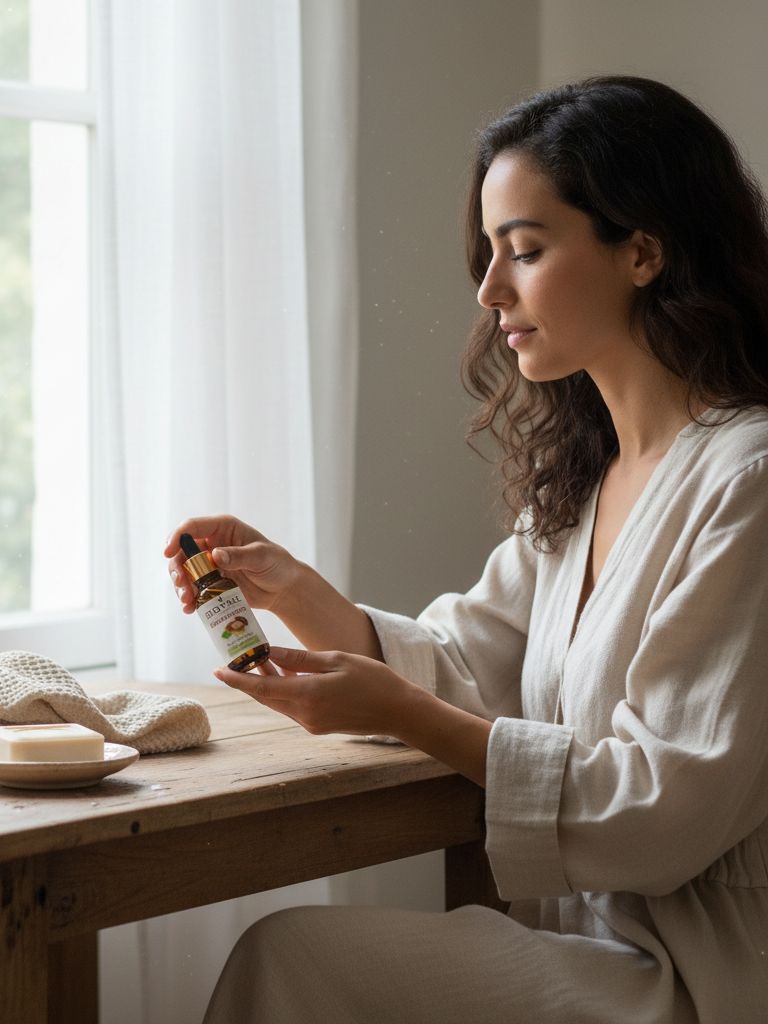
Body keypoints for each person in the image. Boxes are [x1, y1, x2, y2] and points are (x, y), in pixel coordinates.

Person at [163, 75, 768, 1023]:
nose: (489, 291)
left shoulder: (748, 481)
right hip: (596, 946)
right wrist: (296, 593)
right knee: (296, 958)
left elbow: (661, 813)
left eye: (524, 251)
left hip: (707, 977)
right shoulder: (590, 485)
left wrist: (404, 712)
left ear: (643, 251)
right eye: (489, 256)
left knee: (292, 958)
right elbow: (465, 665)